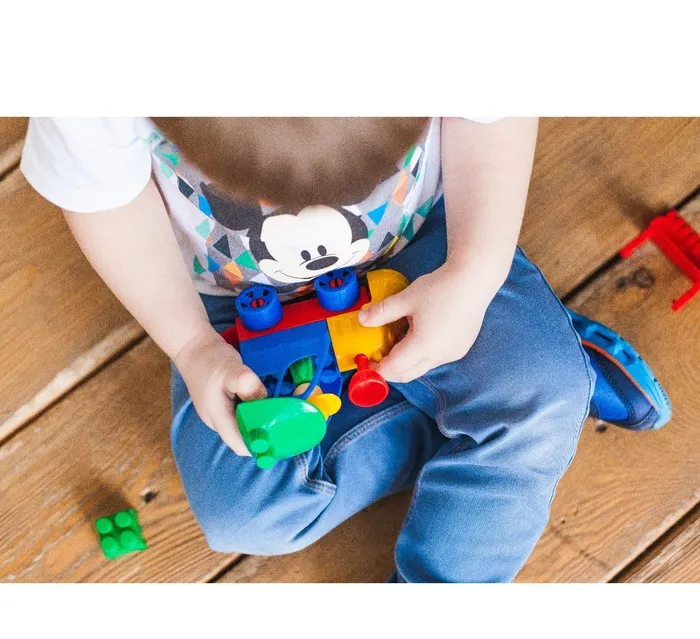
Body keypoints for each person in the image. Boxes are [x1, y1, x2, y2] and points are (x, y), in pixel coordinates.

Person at [20, 117, 671, 582]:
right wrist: (191, 345)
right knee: (243, 517)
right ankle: (529, 375)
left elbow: (492, 112)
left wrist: (474, 275)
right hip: (232, 305)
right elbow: (105, 201)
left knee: (535, 396)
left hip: (425, 252)